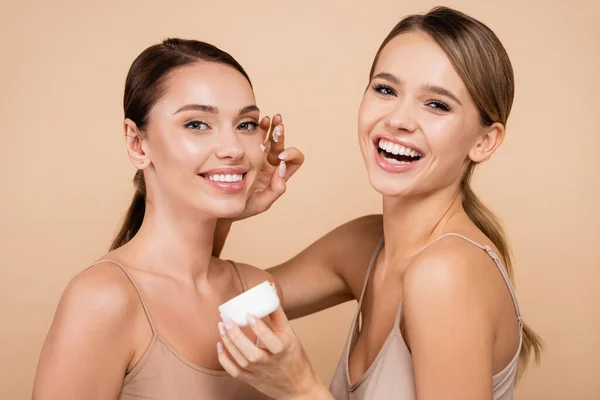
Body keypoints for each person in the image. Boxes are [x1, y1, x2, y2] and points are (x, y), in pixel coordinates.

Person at [214, 6, 542, 400]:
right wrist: (232, 204)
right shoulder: (367, 245)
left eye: (437, 104)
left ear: (484, 141)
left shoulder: (446, 274)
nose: (398, 119)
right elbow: (213, 298)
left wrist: (299, 388)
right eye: (385, 89)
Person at [31, 38, 304, 400]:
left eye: (246, 124)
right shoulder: (103, 300)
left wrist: (232, 207)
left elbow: (357, 255)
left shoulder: (255, 289)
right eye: (196, 124)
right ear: (137, 143)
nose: (233, 149)